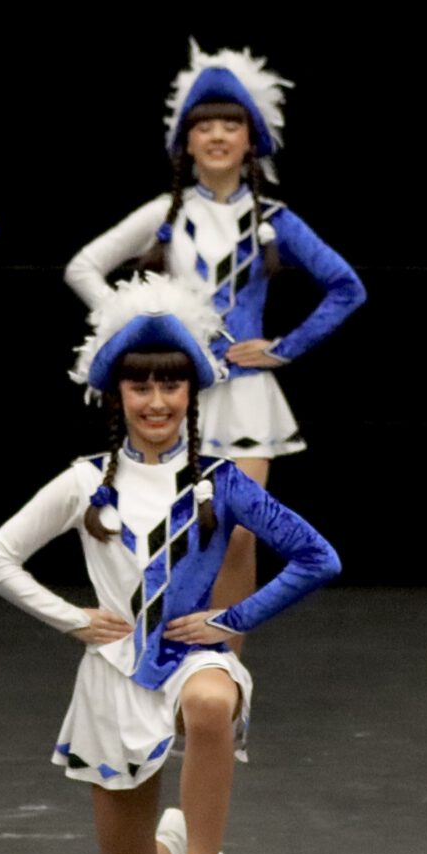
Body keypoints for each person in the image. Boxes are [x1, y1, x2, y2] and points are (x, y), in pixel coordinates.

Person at [0, 275, 341, 854]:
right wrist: (74, 619)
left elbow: (319, 557)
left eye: (170, 386)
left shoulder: (223, 481)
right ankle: (173, 844)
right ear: (116, 394)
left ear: (192, 393)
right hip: (114, 671)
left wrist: (230, 621)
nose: (156, 401)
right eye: (140, 386)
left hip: (190, 658)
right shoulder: (84, 480)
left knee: (210, 702)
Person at [63, 44, 364, 639]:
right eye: (205, 126)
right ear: (186, 142)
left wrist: (284, 347)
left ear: (252, 140)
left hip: (247, 396)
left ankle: (224, 663)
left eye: (231, 124)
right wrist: (136, 322)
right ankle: (162, 653)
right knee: (170, 529)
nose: (218, 136)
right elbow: (83, 267)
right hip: (176, 394)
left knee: (240, 534)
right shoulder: (164, 213)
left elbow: (345, 287)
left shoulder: (273, 218)